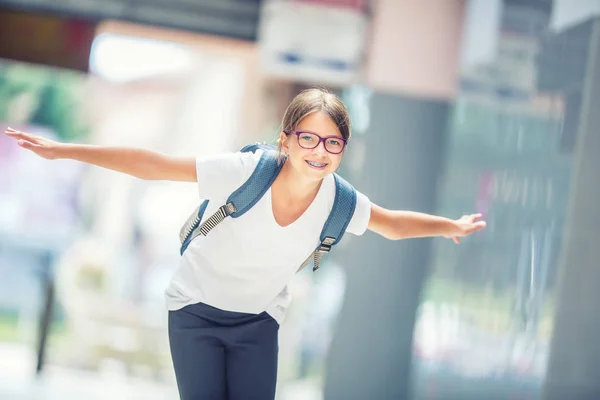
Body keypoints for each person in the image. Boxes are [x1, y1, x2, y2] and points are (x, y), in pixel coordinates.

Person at [4, 88, 486, 399]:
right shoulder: (247, 172)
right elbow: (154, 164)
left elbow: (393, 224)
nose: (320, 152)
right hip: (194, 312)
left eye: (332, 143)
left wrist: (451, 226)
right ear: (286, 139)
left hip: (257, 323)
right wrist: (65, 150)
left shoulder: (340, 201)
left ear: (343, 149)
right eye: (308, 139)